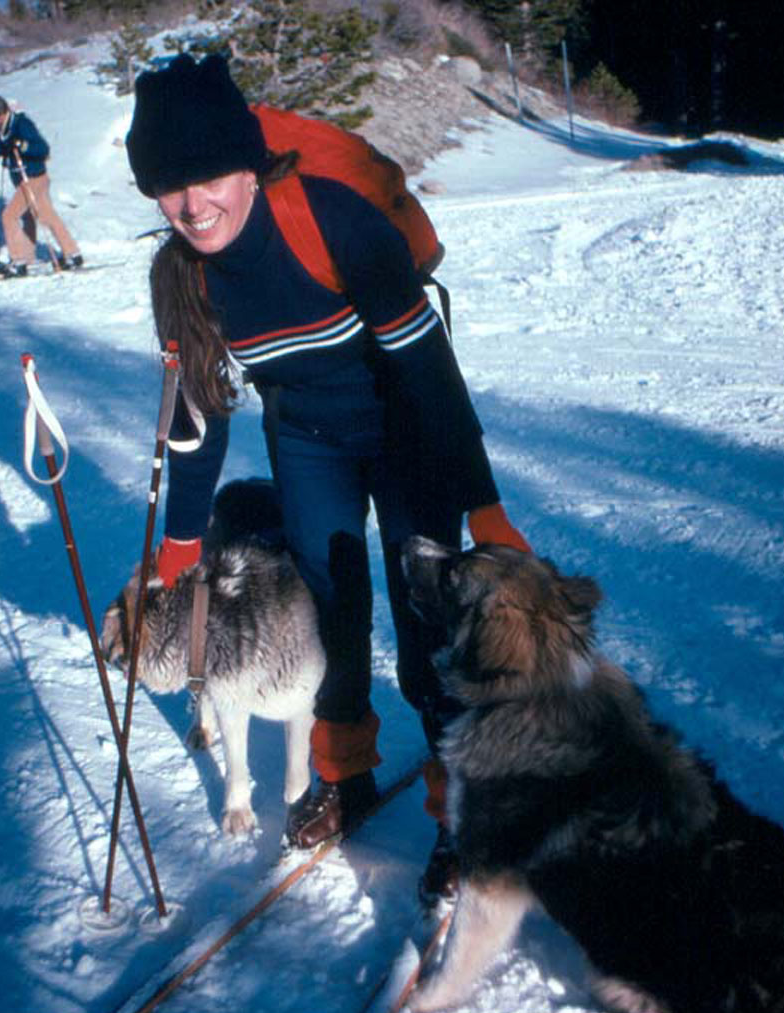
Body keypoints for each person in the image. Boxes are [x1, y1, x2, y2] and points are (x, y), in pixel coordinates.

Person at [125, 54, 529, 902]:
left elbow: (430, 373)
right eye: (169, 187)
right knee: (328, 614)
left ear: (249, 164)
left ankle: (465, 818)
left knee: (429, 627)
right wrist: (180, 544)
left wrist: (482, 502)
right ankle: (342, 774)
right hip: (307, 433)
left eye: (208, 177)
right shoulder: (182, 277)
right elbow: (198, 416)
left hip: (405, 424)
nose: (194, 206)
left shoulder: (336, 221)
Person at [0, 94, 83, 278]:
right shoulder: (1, 129)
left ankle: (19, 262)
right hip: (25, 179)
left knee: (9, 216)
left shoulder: (21, 124)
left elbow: (42, 149)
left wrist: (22, 145)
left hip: (33, 178)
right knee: (43, 215)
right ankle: (71, 254)